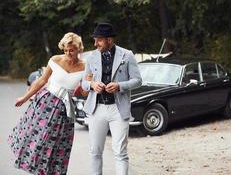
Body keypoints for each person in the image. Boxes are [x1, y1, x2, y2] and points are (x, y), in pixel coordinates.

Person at [7, 32, 86, 175]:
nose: (68, 53)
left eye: (72, 50)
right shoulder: (55, 60)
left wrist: (82, 89)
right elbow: (42, 81)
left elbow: (85, 92)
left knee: (57, 144)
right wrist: (24, 98)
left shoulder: (85, 67)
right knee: (39, 140)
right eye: (65, 49)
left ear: (79, 49)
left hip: (65, 109)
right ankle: (36, 169)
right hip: (46, 103)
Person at [82, 23, 142, 175]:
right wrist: (92, 85)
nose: (95, 44)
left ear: (109, 40)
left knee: (120, 153)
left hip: (118, 108)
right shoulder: (91, 57)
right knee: (95, 152)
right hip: (97, 109)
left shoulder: (127, 55)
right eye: (95, 40)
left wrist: (119, 86)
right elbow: (84, 82)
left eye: (99, 40)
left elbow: (138, 80)